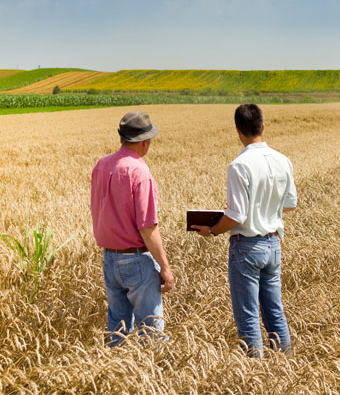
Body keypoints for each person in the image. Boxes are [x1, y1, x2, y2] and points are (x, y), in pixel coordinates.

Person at [192, 103, 297, 357]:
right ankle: (287, 364)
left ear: (238, 131)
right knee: (274, 310)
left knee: (248, 314)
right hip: (273, 245)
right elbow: (291, 203)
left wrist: (213, 230)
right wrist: (264, 207)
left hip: (247, 248)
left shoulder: (239, 165)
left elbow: (236, 216)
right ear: (262, 126)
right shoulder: (283, 160)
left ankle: (254, 375)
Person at [90, 111, 174, 346]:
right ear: (145, 142)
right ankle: (151, 377)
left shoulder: (101, 165)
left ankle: (116, 378)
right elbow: (148, 227)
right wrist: (165, 268)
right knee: (151, 332)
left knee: (117, 329)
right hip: (136, 261)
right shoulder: (139, 172)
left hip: (109, 259)